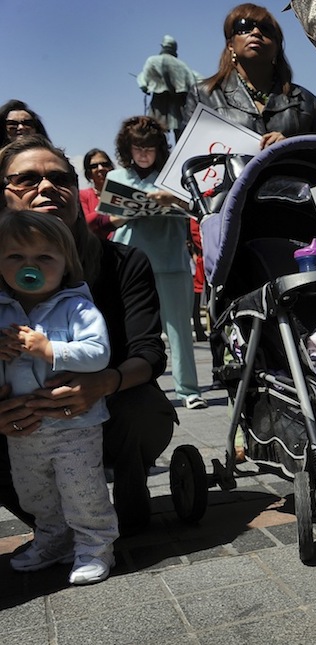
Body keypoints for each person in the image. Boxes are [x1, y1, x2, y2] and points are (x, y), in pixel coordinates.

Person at [0, 135, 175, 537]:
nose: (46, 188)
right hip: (18, 423)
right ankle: (50, 525)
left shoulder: (123, 261)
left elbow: (148, 352)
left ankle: (126, 488)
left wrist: (102, 384)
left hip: (101, 412)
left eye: (60, 178)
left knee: (143, 406)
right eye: (26, 179)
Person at [0, 210, 118, 585]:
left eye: (44, 258)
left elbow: (98, 352)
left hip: (74, 425)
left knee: (83, 491)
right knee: (35, 493)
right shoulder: (2, 311)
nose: (28, 266)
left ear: (66, 265)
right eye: (15, 257)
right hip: (24, 429)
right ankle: (52, 539)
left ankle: (95, 546)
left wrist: (50, 349)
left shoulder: (76, 307)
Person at [105, 116, 206, 411]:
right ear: (128, 148)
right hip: (129, 264)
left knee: (180, 332)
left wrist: (172, 200)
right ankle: (132, 388)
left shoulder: (173, 177)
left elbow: (196, 209)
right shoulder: (118, 178)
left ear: (159, 148)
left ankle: (188, 390)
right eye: (138, 147)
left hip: (172, 261)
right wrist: (131, 211)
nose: (144, 153)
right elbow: (108, 219)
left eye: (149, 147)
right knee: (127, 331)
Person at [184, 4, 316, 150]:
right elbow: (189, 155)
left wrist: (291, 147)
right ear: (230, 45)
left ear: (277, 46)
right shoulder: (203, 95)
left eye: (266, 29)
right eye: (244, 27)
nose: (256, 32)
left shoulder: (306, 101)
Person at [137, 35, 201, 136]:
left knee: (155, 131)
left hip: (159, 102)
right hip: (179, 103)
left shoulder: (152, 60)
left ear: (163, 46)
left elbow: (144, 80)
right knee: (181, 133)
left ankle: (160, 151)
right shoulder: (183, 65)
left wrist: (143, 84)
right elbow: (196, 79)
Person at [78, 149, 117, 239]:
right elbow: (87, 222)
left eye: (105, 164)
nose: (100, 168)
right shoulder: (83, 195)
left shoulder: (121, 193)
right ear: (89, 173)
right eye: (94, 166)